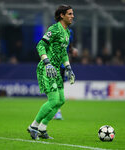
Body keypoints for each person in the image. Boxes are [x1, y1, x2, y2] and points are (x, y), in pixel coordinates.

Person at [27, 5, 75, 140]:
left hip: (56, 70)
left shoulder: (67, 32)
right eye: (70, 14)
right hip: (46, 68)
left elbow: (63, 53)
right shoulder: (54, 29)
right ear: (62, 15)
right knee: (53, 100)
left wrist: (68, 67)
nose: (72, 16)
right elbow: (40, 45)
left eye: (72, 14)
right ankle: (33, 126)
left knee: (61, 100)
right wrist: (47, 62)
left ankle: (42, 128)